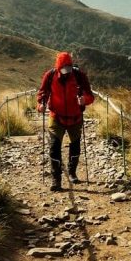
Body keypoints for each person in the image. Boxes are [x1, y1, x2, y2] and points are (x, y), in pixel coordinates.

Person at [37, 51, 95, 191]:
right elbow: (43, 93)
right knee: (54, 147)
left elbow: (90, 96)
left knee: (75, 146)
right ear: (58, 67)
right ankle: (56, 179)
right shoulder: (50, 76)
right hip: (56, 116)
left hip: (76, 117)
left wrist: (84, 100)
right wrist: (40, 104)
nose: (66, 72)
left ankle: (72, 172)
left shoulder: (80, 76)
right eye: (63, 69)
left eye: (68, 68)